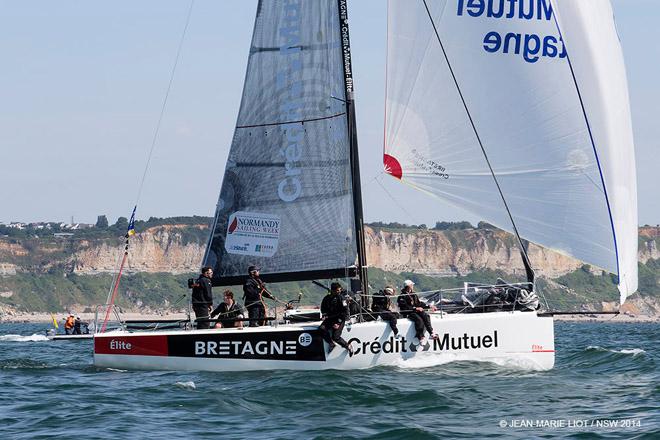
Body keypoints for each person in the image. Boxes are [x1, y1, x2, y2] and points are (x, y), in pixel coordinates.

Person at [397, 279, 438, 345]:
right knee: (419, 320)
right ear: (408, 286)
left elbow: (419, 303)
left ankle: (431, 333)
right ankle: (421, 337)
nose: (413, 286)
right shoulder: (402, 296)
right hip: (408, 312)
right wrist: (415, 308)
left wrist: (429, 306)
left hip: (415, 311)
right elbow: (404, 307)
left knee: (426, 315)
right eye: (411, 285)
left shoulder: (413, 294)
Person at [320, 282, 353, 355]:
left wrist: (338, 322)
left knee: (335, 337)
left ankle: (348, 346)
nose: (339, 291)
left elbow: (345, 311)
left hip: (340, 319)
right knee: (321, 329)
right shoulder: (326, 298)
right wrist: (324, 315)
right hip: (330, 318)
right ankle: (331, 344)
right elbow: (323, 309)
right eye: (338, 290)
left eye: (340, 290)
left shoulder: (342, 298)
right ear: (333, 290)